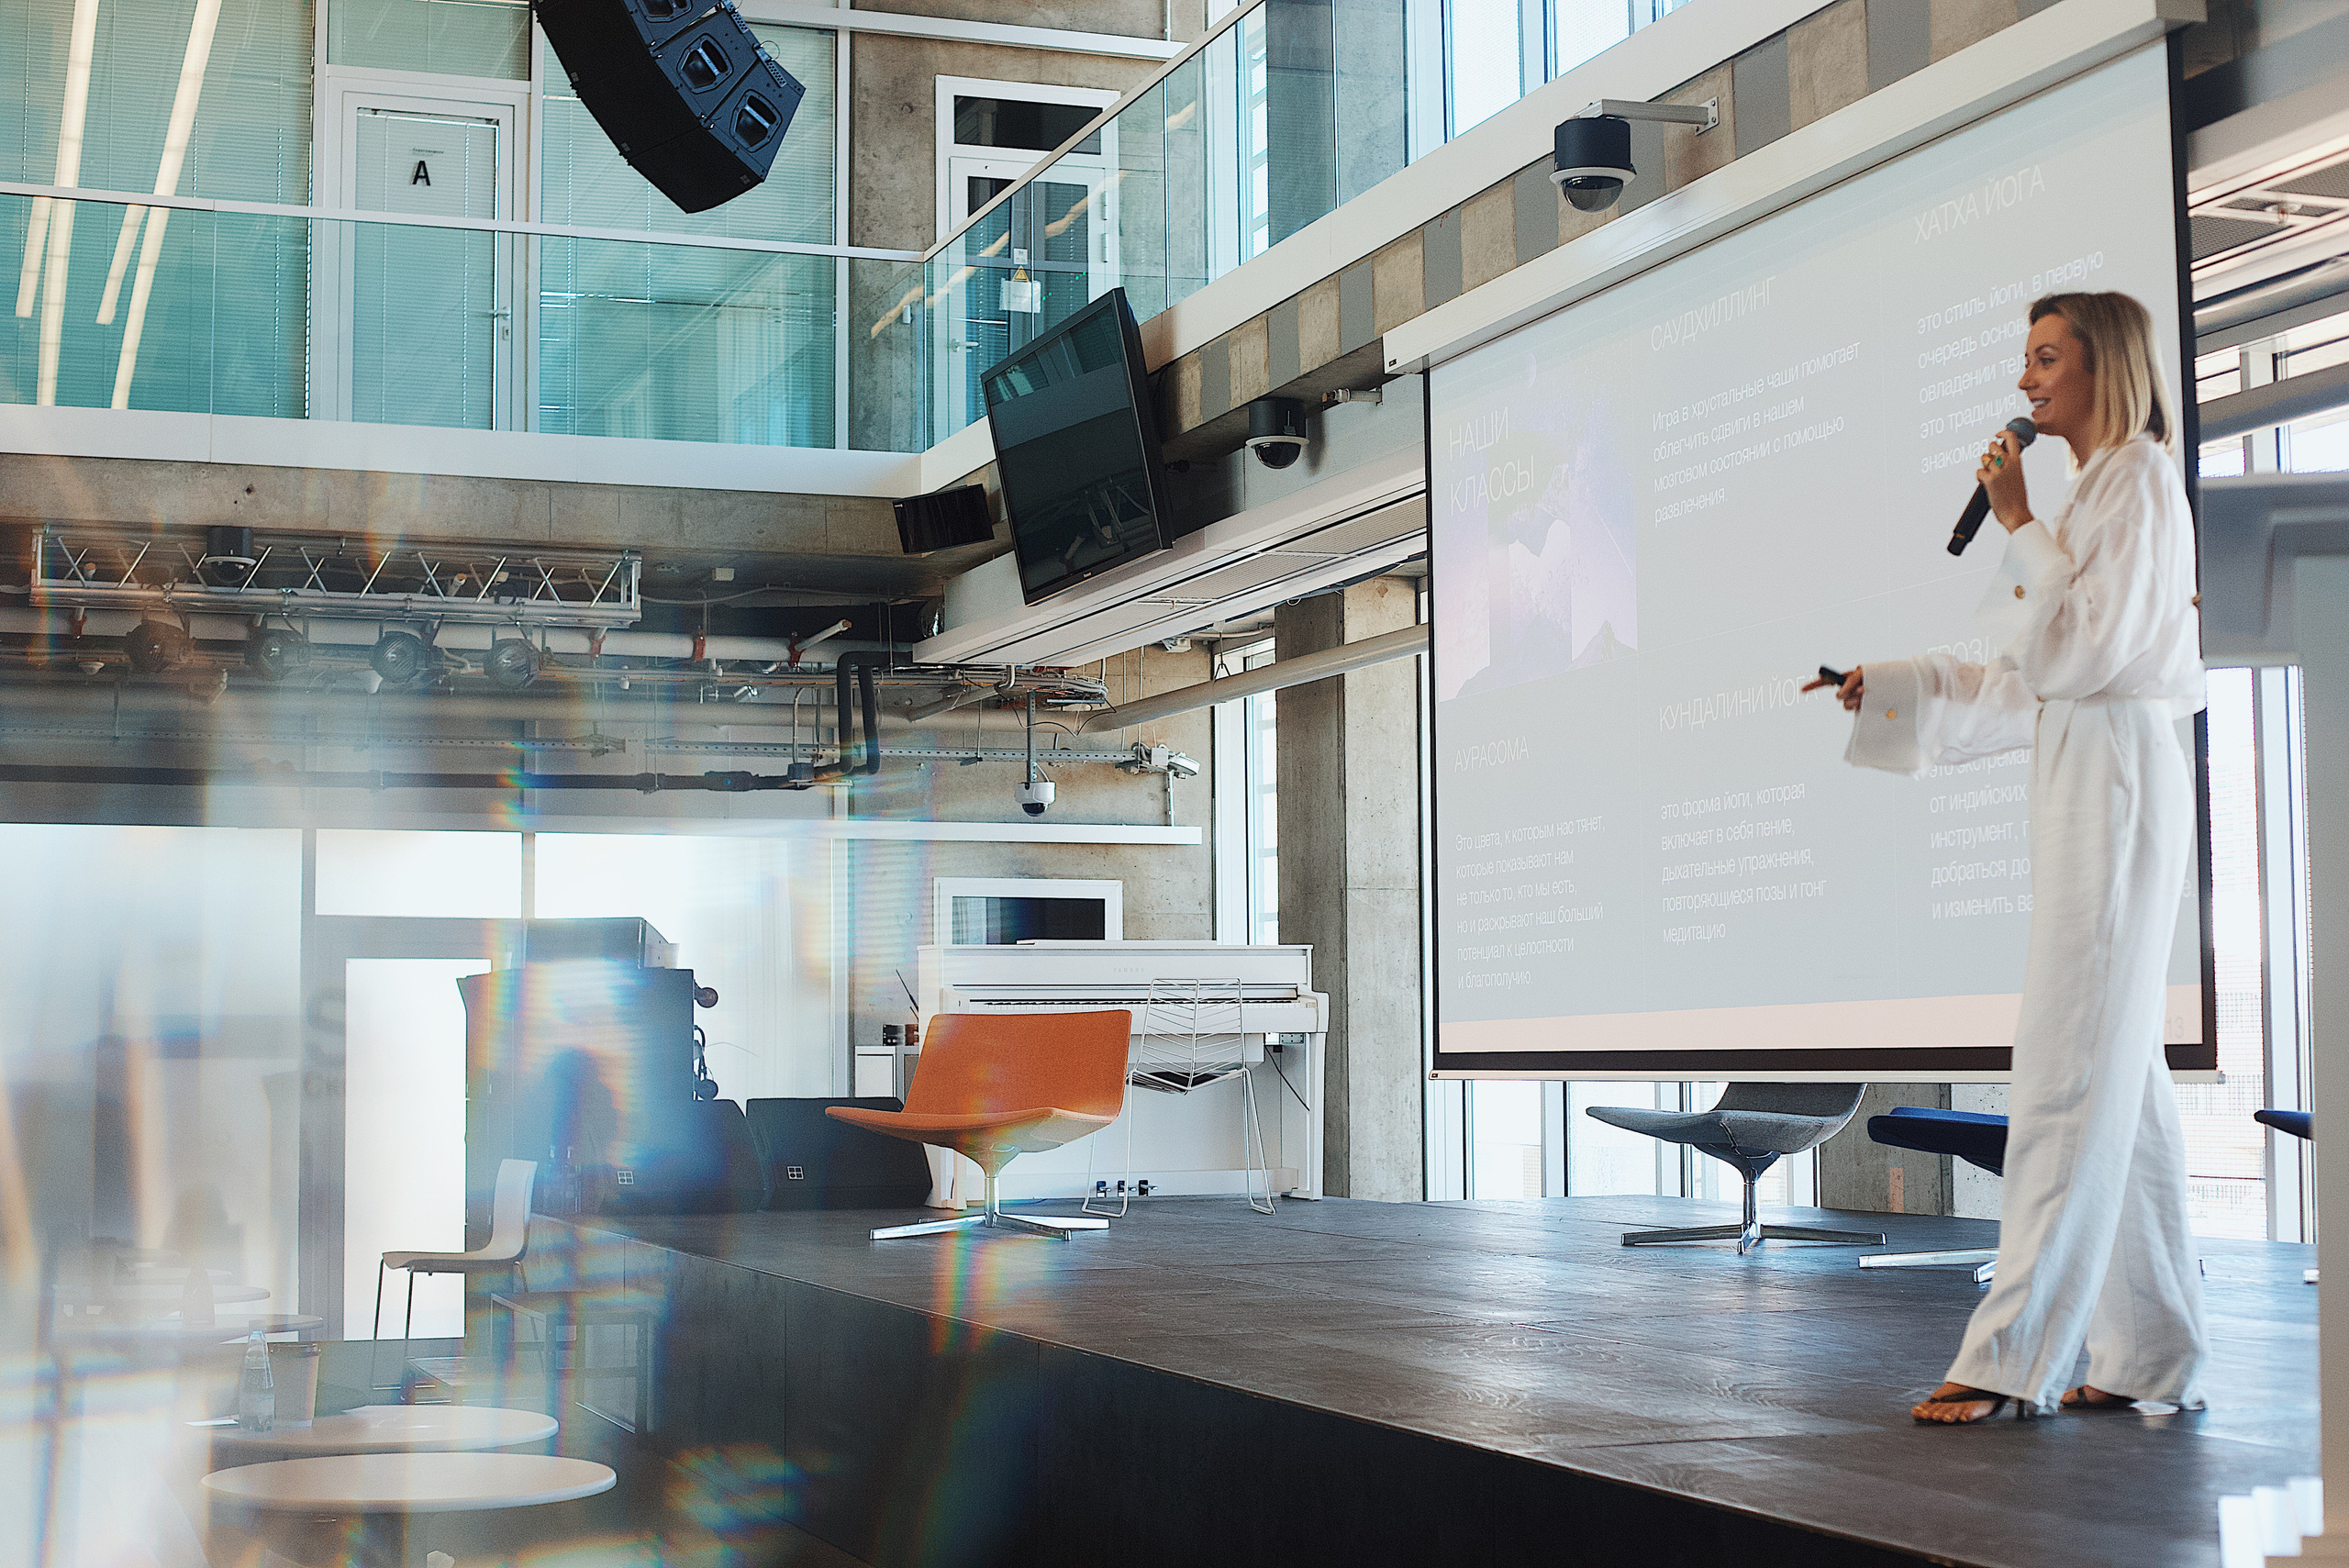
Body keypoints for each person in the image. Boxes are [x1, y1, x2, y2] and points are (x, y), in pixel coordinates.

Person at [1801, 291, 2206, 1425]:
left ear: (2101, 365)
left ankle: (2008, 1353)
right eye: (2021, 359)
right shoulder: (2096, 493)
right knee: (2121, 1074)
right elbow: (2022, 675)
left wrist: (2016, 515)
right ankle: (2151, 1353)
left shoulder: (2135, 477)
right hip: (2087, 758)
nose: (2024, 381)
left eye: (2045, 358)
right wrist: (1891, 686)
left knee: (2069, 1061)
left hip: (2118, 767)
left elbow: (2076, 651)